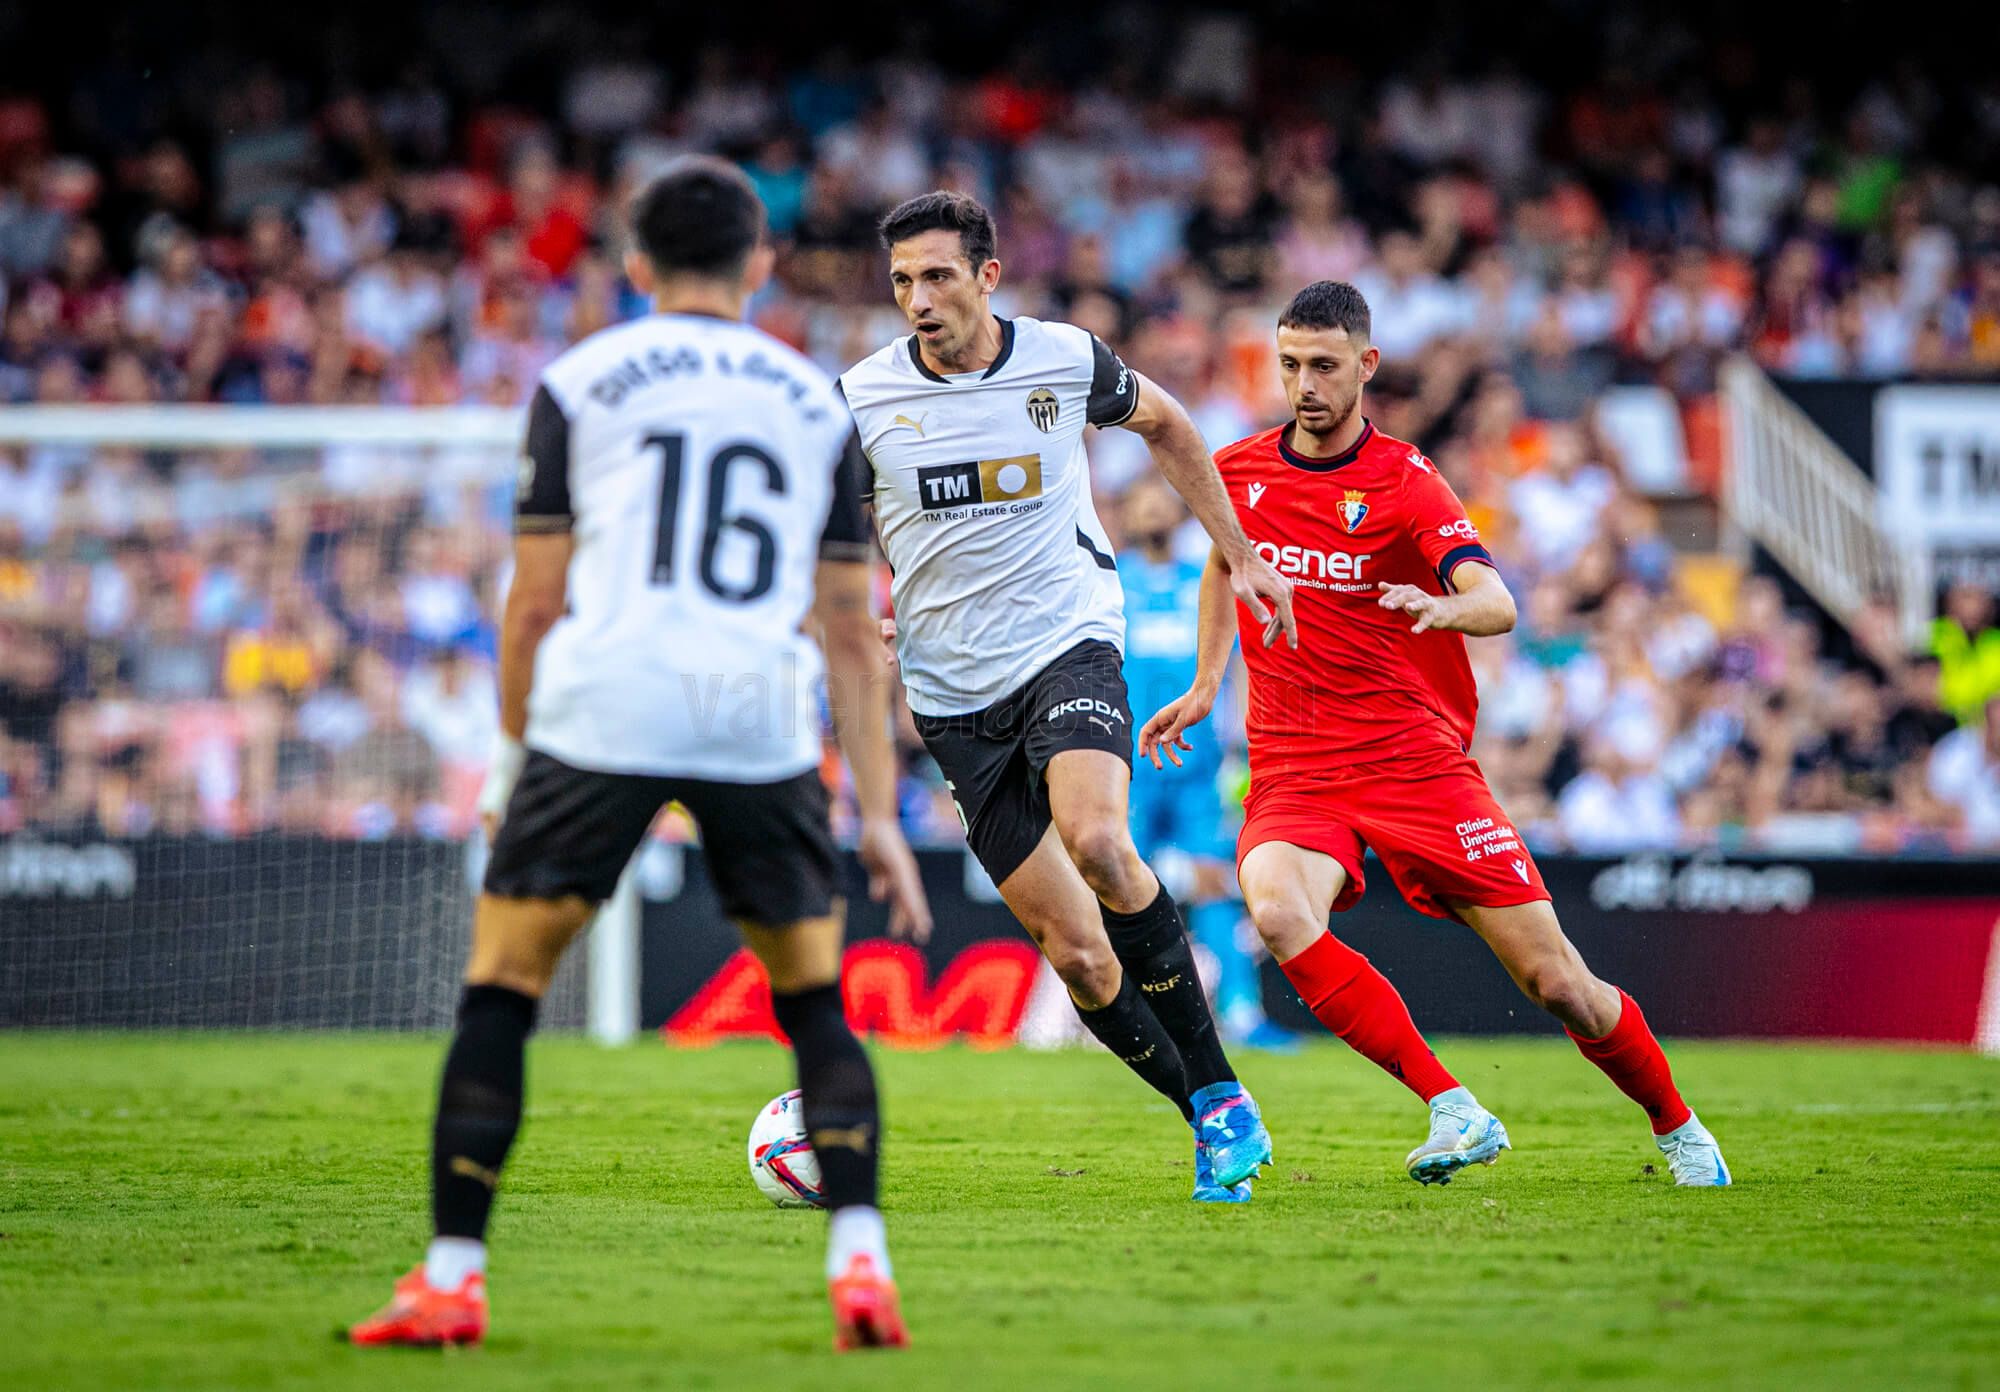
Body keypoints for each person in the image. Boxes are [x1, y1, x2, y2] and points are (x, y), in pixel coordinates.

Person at [347, 157, 931, 1352]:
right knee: (813, 1003)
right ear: (760, 266)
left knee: (502, 992)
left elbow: (532, 602)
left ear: (634, 268)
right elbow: (848, 632)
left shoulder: (580, 378)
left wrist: (516, 760)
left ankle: (453, 1276)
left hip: (604, 707)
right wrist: (875, 810)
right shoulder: (815, 403)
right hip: (748, 711)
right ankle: (861, 1265)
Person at [1141, 280, 1730, 1187]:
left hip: (1414, 764)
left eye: (1324, 366)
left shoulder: (1408, 483)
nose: (1304, 384)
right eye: (1291, 363)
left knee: (1558, 983)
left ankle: (1677, 1124)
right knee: (1276, 908)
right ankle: (1453, 1105)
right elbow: (1227, 564)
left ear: (1366, 367)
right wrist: (1206, 681)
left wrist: (1441, 605)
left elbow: (1498, 601)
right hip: (1295, 764)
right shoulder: (1241, 470)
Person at [840, 190, 1294, 1201]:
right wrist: (863, 606)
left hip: (1067, 639)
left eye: (938, 276)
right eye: (903, 280)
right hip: (950, 691)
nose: (918, 298)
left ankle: (1219, 1090)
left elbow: (1170, 429)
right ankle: (1206, 1116)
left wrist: (1241, 554)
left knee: (1096, 839)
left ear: (986, 277)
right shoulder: (861, 399)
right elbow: (834, 532)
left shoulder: (1061, 359)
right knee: (1078, 958)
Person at [1116, 477, 1297, 1051]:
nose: (1150, 511)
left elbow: (1240, 665)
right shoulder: (1111, 580)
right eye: (1140, 503)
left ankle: (1242, 1012)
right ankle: (1120, 1014)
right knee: (1119, 886)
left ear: (1177, 512)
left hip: (1198, 765)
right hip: (1132, 763)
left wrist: (1246, 744)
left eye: (1158, 501)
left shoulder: (1206, 578)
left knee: (1217, 886)